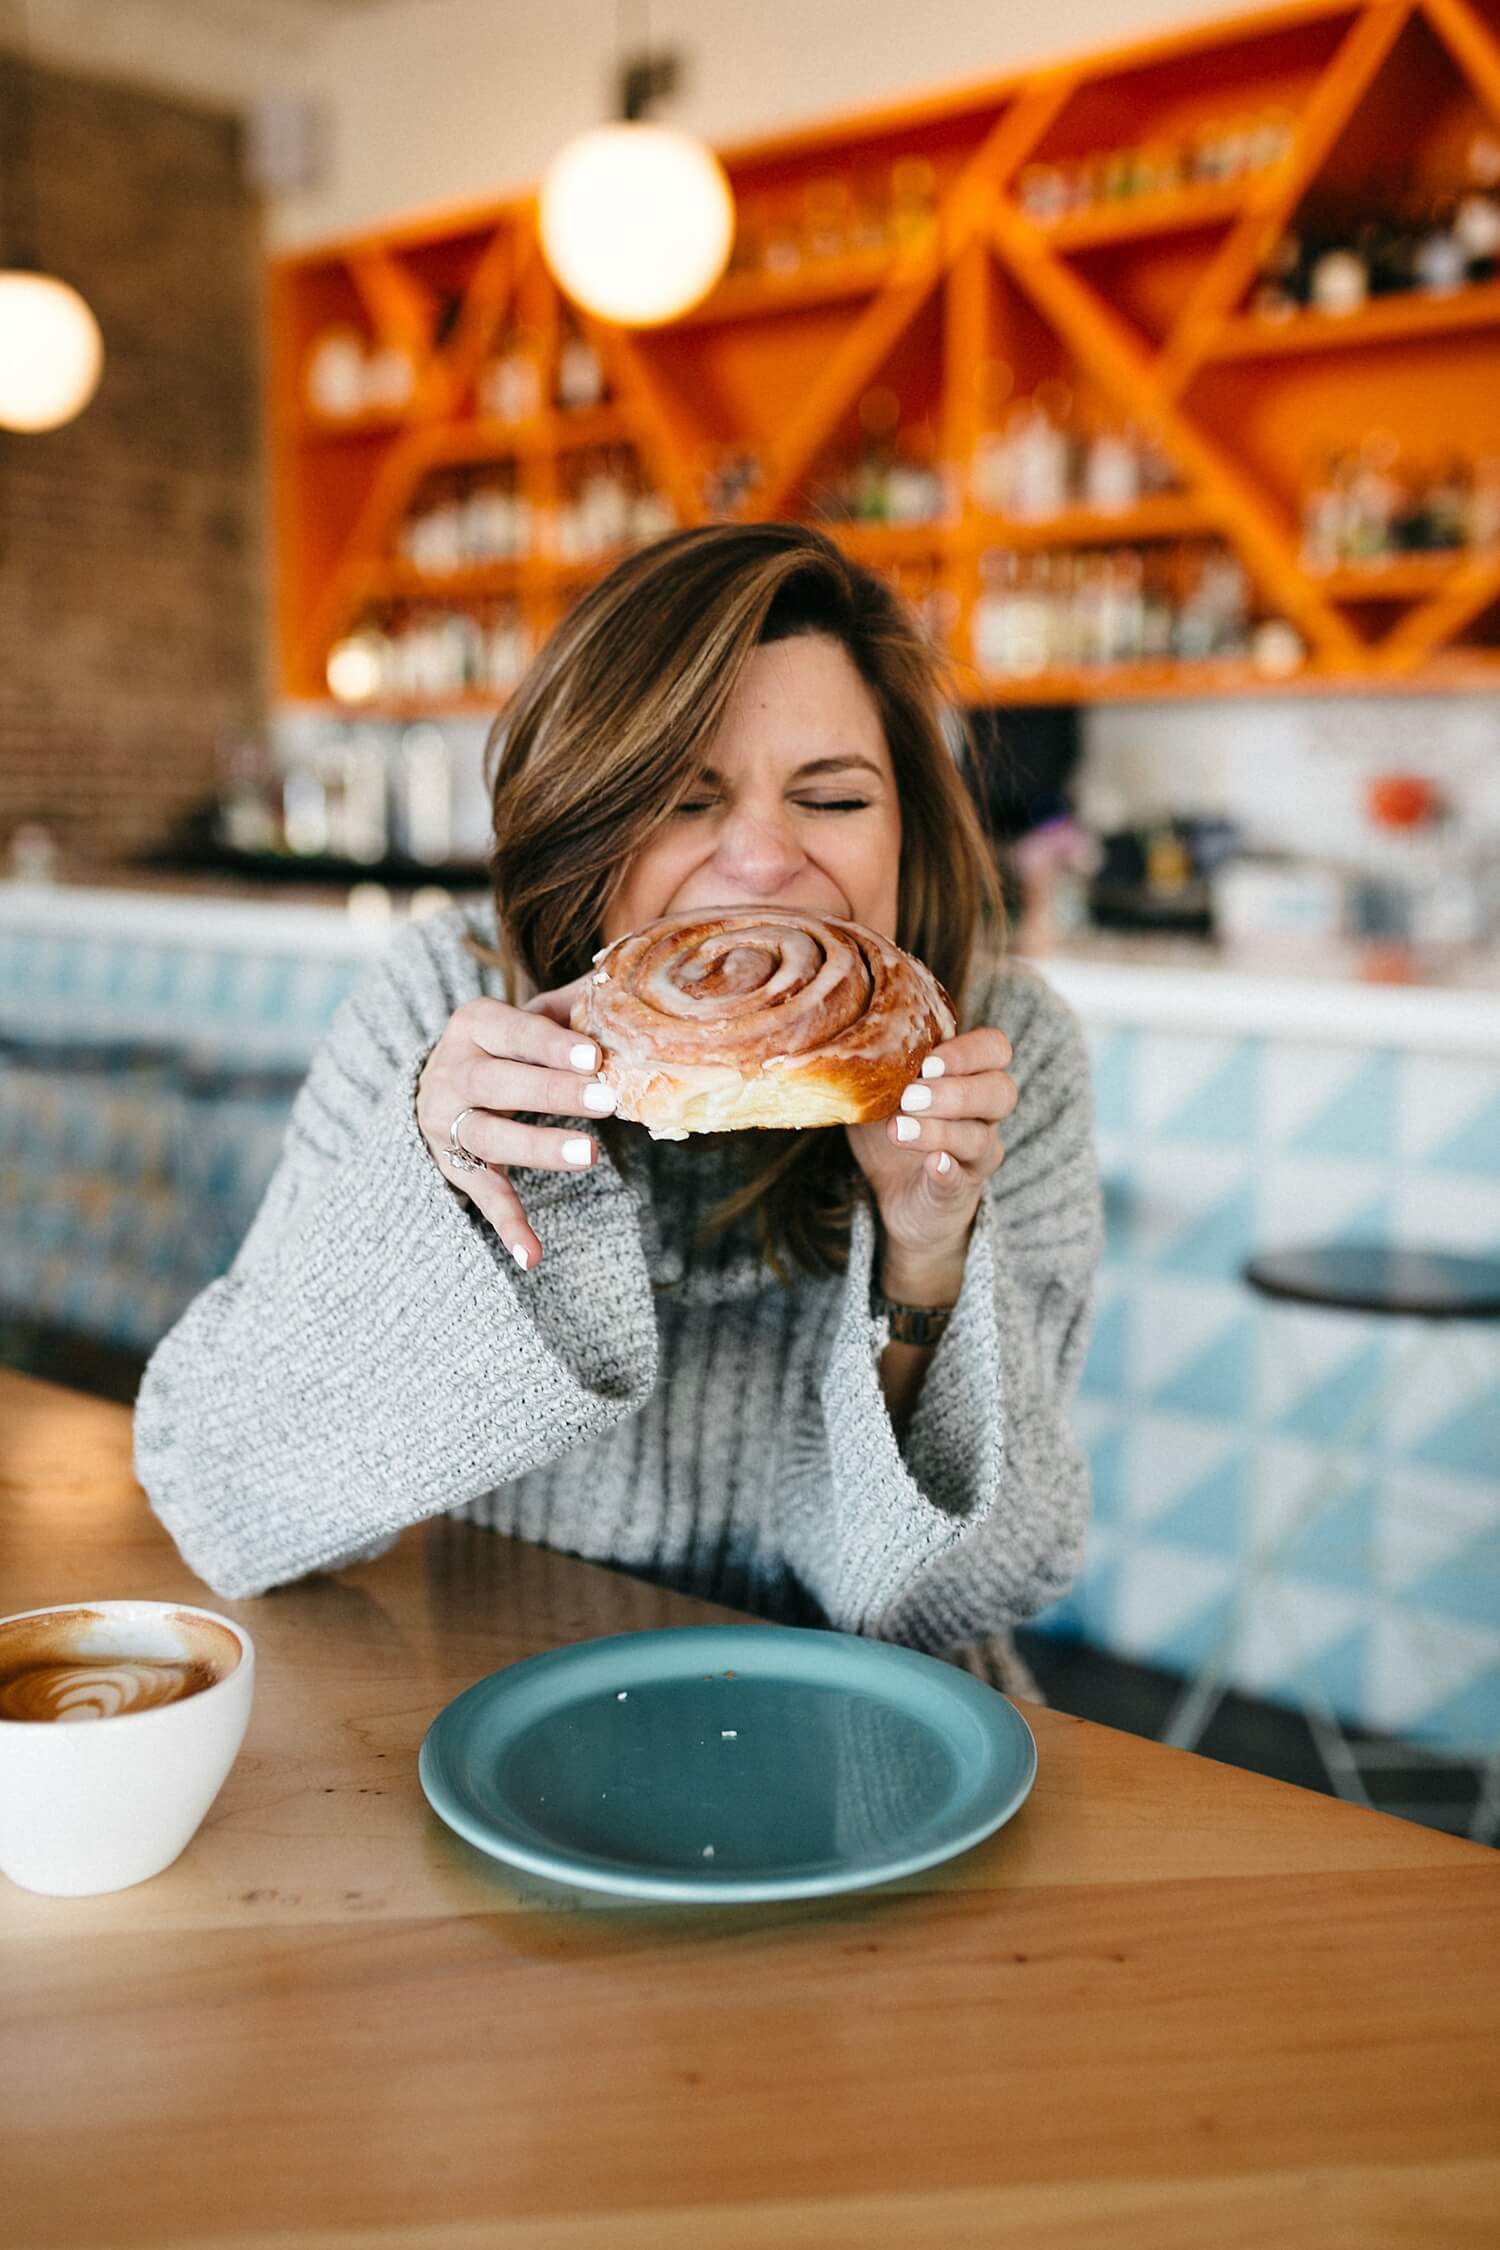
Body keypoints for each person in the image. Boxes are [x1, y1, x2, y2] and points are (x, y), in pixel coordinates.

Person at [134, 521, 1103, 1699]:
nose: (760, 858)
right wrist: (437, 1195)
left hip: (880, 1720)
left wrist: (927, 1248)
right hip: (512, 1697)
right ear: (586, 821)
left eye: (835, 797)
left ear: (906, 827)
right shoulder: (453, 1007)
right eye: (685, 801)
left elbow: (962, 1594)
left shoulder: (996, 1054)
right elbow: (226, 1508)